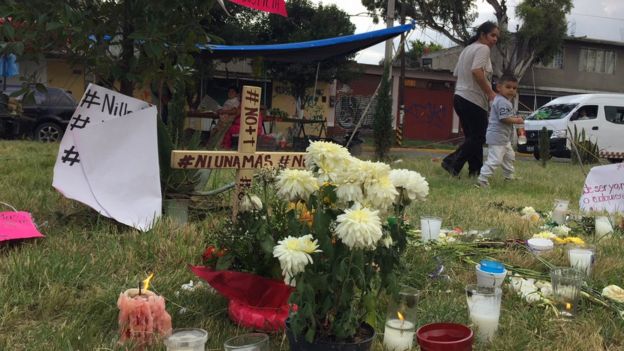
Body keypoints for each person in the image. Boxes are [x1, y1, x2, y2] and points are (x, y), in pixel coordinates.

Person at [442, 21, 500, 177]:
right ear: (482, 35)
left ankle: (475, 170)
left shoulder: (467, 49)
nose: (495, 39)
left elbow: (457, 74)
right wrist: (490, 93)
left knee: (473, 138)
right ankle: (451, 162)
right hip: (472, 99)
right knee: (479, 136)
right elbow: (476, 71)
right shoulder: (483, 48)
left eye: (497, 37)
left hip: (459, 97)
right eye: (492, 35)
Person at [476, 74, 525, 187]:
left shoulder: (503, 101)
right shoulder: (502, 102)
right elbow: (504, 119)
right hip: (497, 137)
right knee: (496, 160)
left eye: (514, 88)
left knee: (509, 157)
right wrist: (517, 120)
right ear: (499, 87)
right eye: (508, 87)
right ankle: (482, 179)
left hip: (503, 138)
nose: (511, 90)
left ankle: (509, 176)